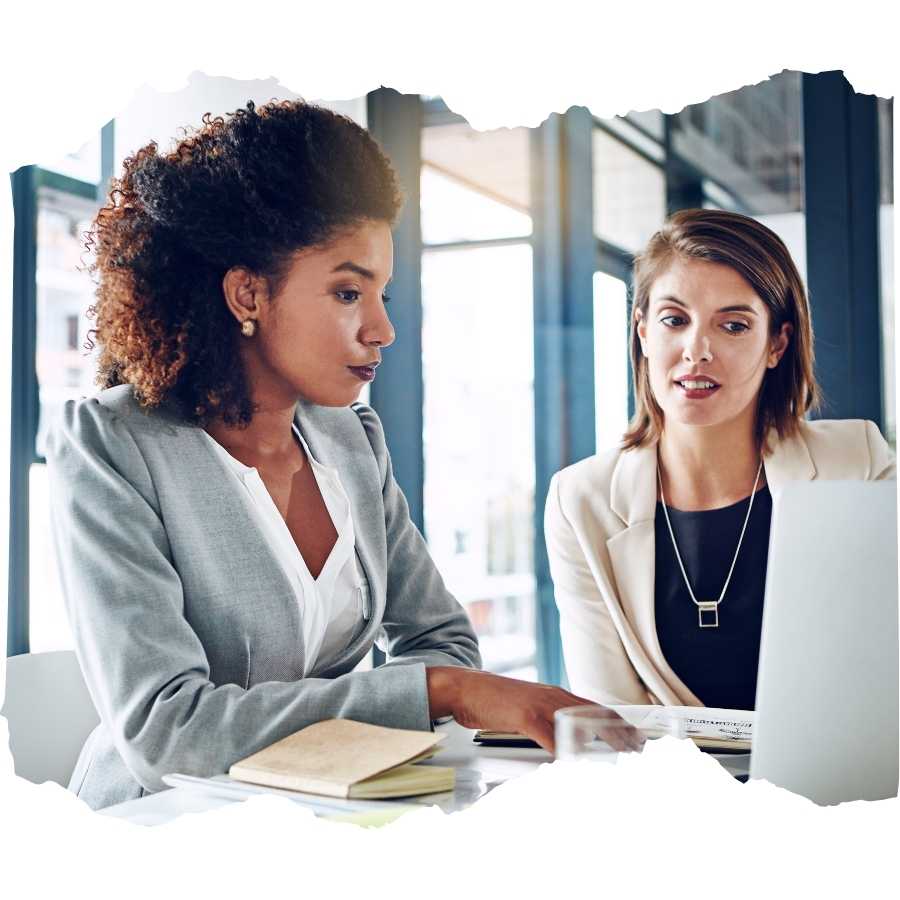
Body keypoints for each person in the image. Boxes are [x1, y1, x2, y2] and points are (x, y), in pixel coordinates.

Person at [47, 100, 639, 811]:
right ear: (248, 293)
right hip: (158, 831)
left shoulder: (350, 442)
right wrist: (433, 693)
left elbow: (439, 636)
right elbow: (169, 730)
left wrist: (416, 700)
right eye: (348, 291)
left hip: (332, 816)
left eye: (381, 293)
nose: (382, 328)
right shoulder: (112, 447)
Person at [545, 209, 895, 711]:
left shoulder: (855, 463)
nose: (697, 350)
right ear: (642, 331)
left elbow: (882, 674)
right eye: (674, 320)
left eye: (732, 325)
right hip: (664, 784)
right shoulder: (581, 500)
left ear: (777, 343)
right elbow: (611, 714)